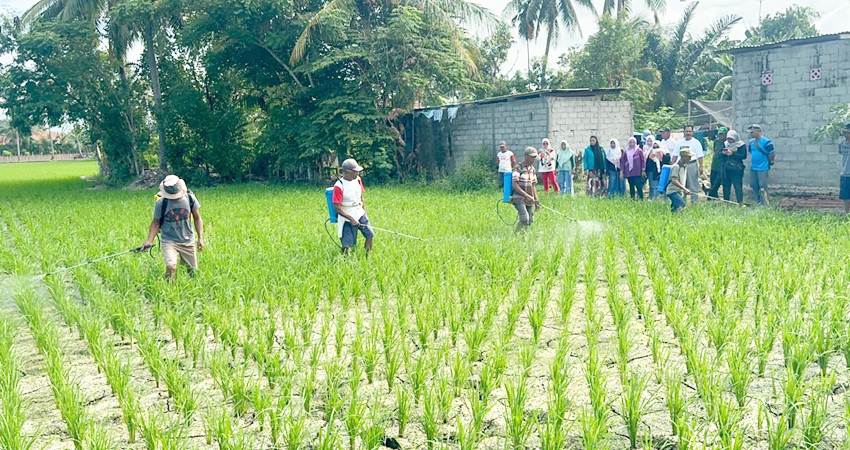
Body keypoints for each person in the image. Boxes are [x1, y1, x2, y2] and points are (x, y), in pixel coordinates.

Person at [141, 175, 204, 280]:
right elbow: (155, 223)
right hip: (169, 240)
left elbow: (197, 218)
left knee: (192, 272)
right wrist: (149, 241)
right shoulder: (161, 203)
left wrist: (200, 238)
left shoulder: (190, 198)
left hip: (187, 239)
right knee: (171, 266)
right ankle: (169, 287)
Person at [332, 158, 374, 254]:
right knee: (348, 245)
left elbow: (361, 197)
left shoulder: (358, 180)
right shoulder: (339, 186)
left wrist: (364, 212)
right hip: (346, 216)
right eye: (355, 171)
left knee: (370, 235)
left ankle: (367, 256)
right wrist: (351, 219)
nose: (357, 173)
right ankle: (344, 260)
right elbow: (336, 207)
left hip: (359, 212)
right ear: (346, 172)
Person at [512, 147, 541, 232]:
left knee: (530, 220)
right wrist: (526, 195)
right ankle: (516, 235)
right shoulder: (518, 167)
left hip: (529, 199)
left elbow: (533, 186)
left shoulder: (532, 169)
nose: (533, 159)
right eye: (532, 157)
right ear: (526, 156)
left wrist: (536, 200)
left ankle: (523, 236)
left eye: (534, 157)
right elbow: (514, 184)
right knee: (525, 218)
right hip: (518, 197)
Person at [747, 124, 775, 205]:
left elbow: (771, 153)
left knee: (763, 185)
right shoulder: (751, 142)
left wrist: (771, 161)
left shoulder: (767, 142)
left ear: (758, 131)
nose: (751, 134)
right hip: (753, 167)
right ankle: (758, 201)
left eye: (752, 132)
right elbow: (751, 152)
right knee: (753, 184)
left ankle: (766, 203)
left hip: (763, 167)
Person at [676, 125, 704, 203]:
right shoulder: (679, 142)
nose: (688, 133)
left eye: (690, 131)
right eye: (687, 131)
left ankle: (694, 202)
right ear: (684, 132)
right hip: (681, 165)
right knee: (682, 184)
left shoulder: (696, 142)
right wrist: (672, 165)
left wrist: (701, 167)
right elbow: (675, 155)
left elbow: (700, 156)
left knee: (693, 185)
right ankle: (682, 203)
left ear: (692, 132)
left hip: (692, 164)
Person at [721, 130, 747, 204]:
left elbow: (743, 156)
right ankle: (726, 202)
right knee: (726, 186)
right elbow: (720, 155)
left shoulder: (741, 145)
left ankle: (740, 202)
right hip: (726, 168)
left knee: (737, 186)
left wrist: (732, 153)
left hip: (737, 169)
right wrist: (723, 153)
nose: (730, 140)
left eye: (731, 139)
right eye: (728, 139)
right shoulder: (725, 144)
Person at [667, 149, 692, 213]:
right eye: (689, 157)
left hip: (678, 191)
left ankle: (673, 217)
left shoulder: (684, 167)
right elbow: (674, 180)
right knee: (681, 204)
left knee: (675, 208)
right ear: (683, 157)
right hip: (672, 191)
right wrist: (684, 189)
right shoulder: (676, 166)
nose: (690, 159)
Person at [707, 127, 728, 199]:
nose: (721, 136)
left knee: (718, 183)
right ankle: (714, 197)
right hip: (714, 165)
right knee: (712, 181)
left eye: (722, 134)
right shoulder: (716, 141)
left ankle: (711, 196)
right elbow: (714, 151)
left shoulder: (727, 143)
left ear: (726, 134)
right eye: (720, 134)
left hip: (722, 166)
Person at [838, 123, 850, 213]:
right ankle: (847, 214)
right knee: (846, 197)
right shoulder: (841, 144)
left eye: (848, 132)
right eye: (845, 132)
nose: (846, 134)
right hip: (845, 174)